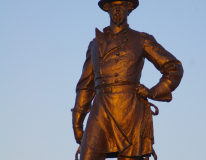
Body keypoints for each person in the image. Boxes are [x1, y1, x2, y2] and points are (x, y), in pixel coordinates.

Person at [71, 0, 183, 160]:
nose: (117, 9)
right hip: (100, 110)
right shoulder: (95, 44)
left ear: (129, 9)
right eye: (113, 5)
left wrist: (153, 91)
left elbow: (174, 68)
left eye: (122, 5)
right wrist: (77, 121)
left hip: (130, 110)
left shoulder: (141, 39)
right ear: (107, 9)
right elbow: (85, 86)